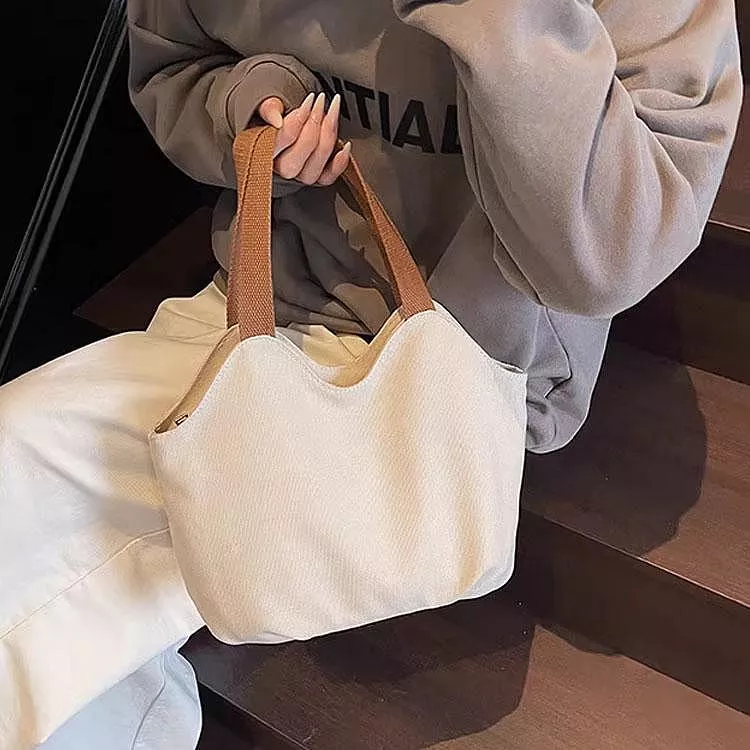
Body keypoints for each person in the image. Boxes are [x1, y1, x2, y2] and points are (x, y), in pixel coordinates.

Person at [0, 0, 742, 747]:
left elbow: (615, 252)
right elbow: (172, 69)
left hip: (474, 354)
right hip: (268, 303)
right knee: (21, 467)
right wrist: (251, 108)